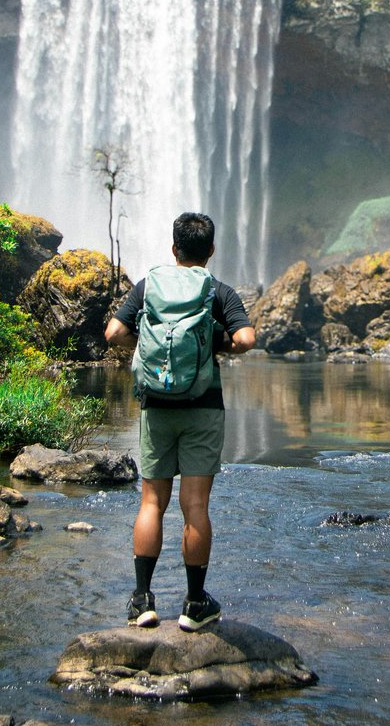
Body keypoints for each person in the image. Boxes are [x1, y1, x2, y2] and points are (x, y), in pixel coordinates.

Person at [104, 212, 255, 631]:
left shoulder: (149, 286)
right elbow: (246, 340)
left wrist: (145, 346)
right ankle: (193, 604)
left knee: (151, 502)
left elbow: (113, 333)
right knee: (196, 506)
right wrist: (211, 346)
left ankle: (141, 601)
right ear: (210, 251)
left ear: (174, 250)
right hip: (203, 407)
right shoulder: (217, 290)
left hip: (156, 408)